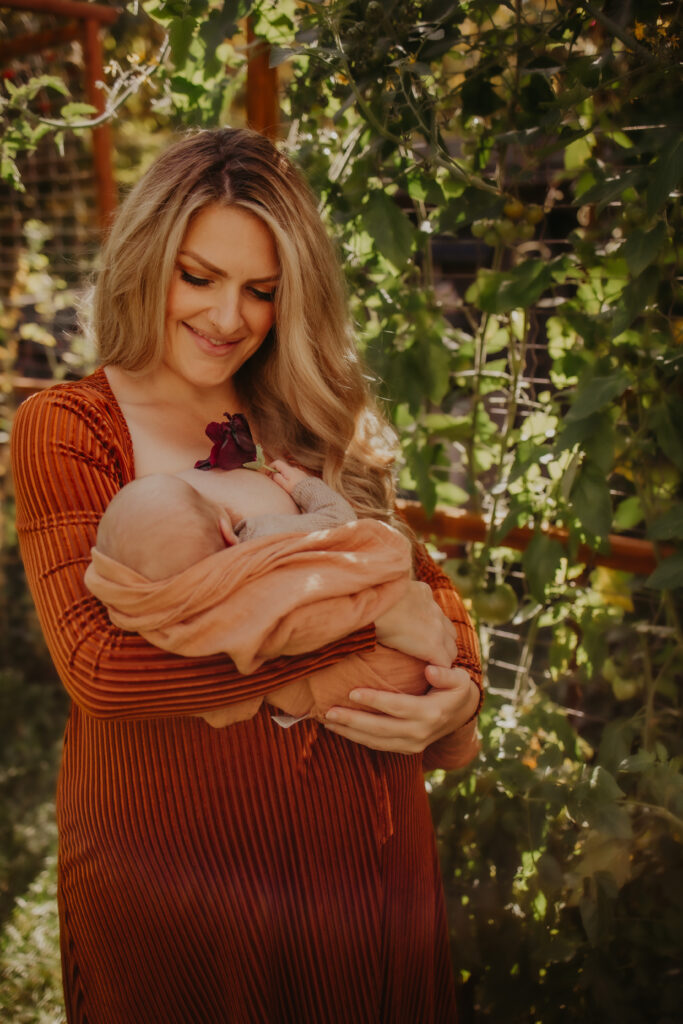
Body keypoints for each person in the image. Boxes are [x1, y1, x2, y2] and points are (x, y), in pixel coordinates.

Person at [11, 127, 483, 1023]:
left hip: (360, 859)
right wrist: (362, 625)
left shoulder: (300, 411)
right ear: (146, 260)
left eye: (261, 291)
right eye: (200, 277)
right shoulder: (68, 427)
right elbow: (101, 671)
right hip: (174, 876)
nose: (231, 318)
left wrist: (461, 690)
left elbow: (420, 584)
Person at [83, 460, 479, 769]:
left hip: (375, 715)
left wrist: (466, 695)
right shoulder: (255, 535)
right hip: (398, 673)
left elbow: (433, 583)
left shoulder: (193, 619)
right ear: (225, 527)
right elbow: (337, 522)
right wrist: (374, 617)